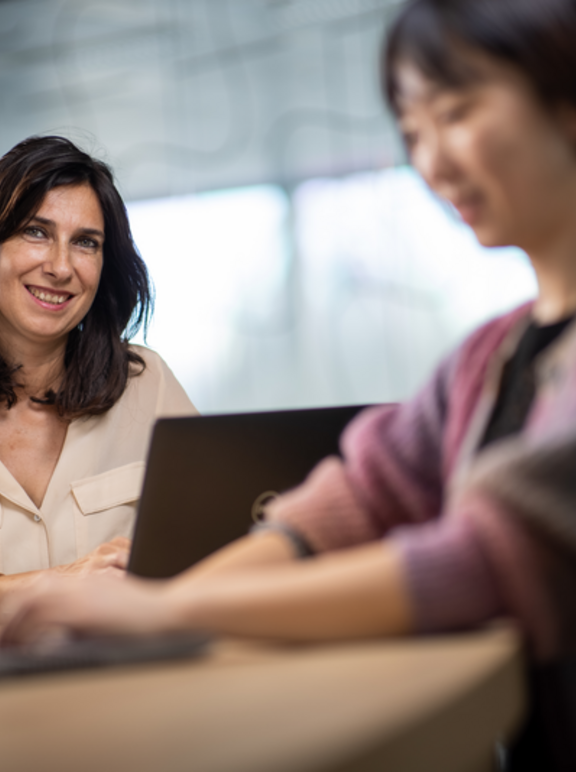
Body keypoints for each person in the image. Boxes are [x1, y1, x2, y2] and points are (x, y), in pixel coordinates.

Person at [2, 0, 576, 758]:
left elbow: (484, 561)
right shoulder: (488, 359)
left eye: (457, 112)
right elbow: (346, 501)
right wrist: (163, 605)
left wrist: (165, 613)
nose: (432, 160)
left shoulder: (141, 380)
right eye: (412, 132)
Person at [0, 135, 197, 598]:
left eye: (85, 243)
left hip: (132, 669)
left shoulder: (146, 385)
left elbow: (217, 542)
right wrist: (58, 584)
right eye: (36, 231)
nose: (61, 266)